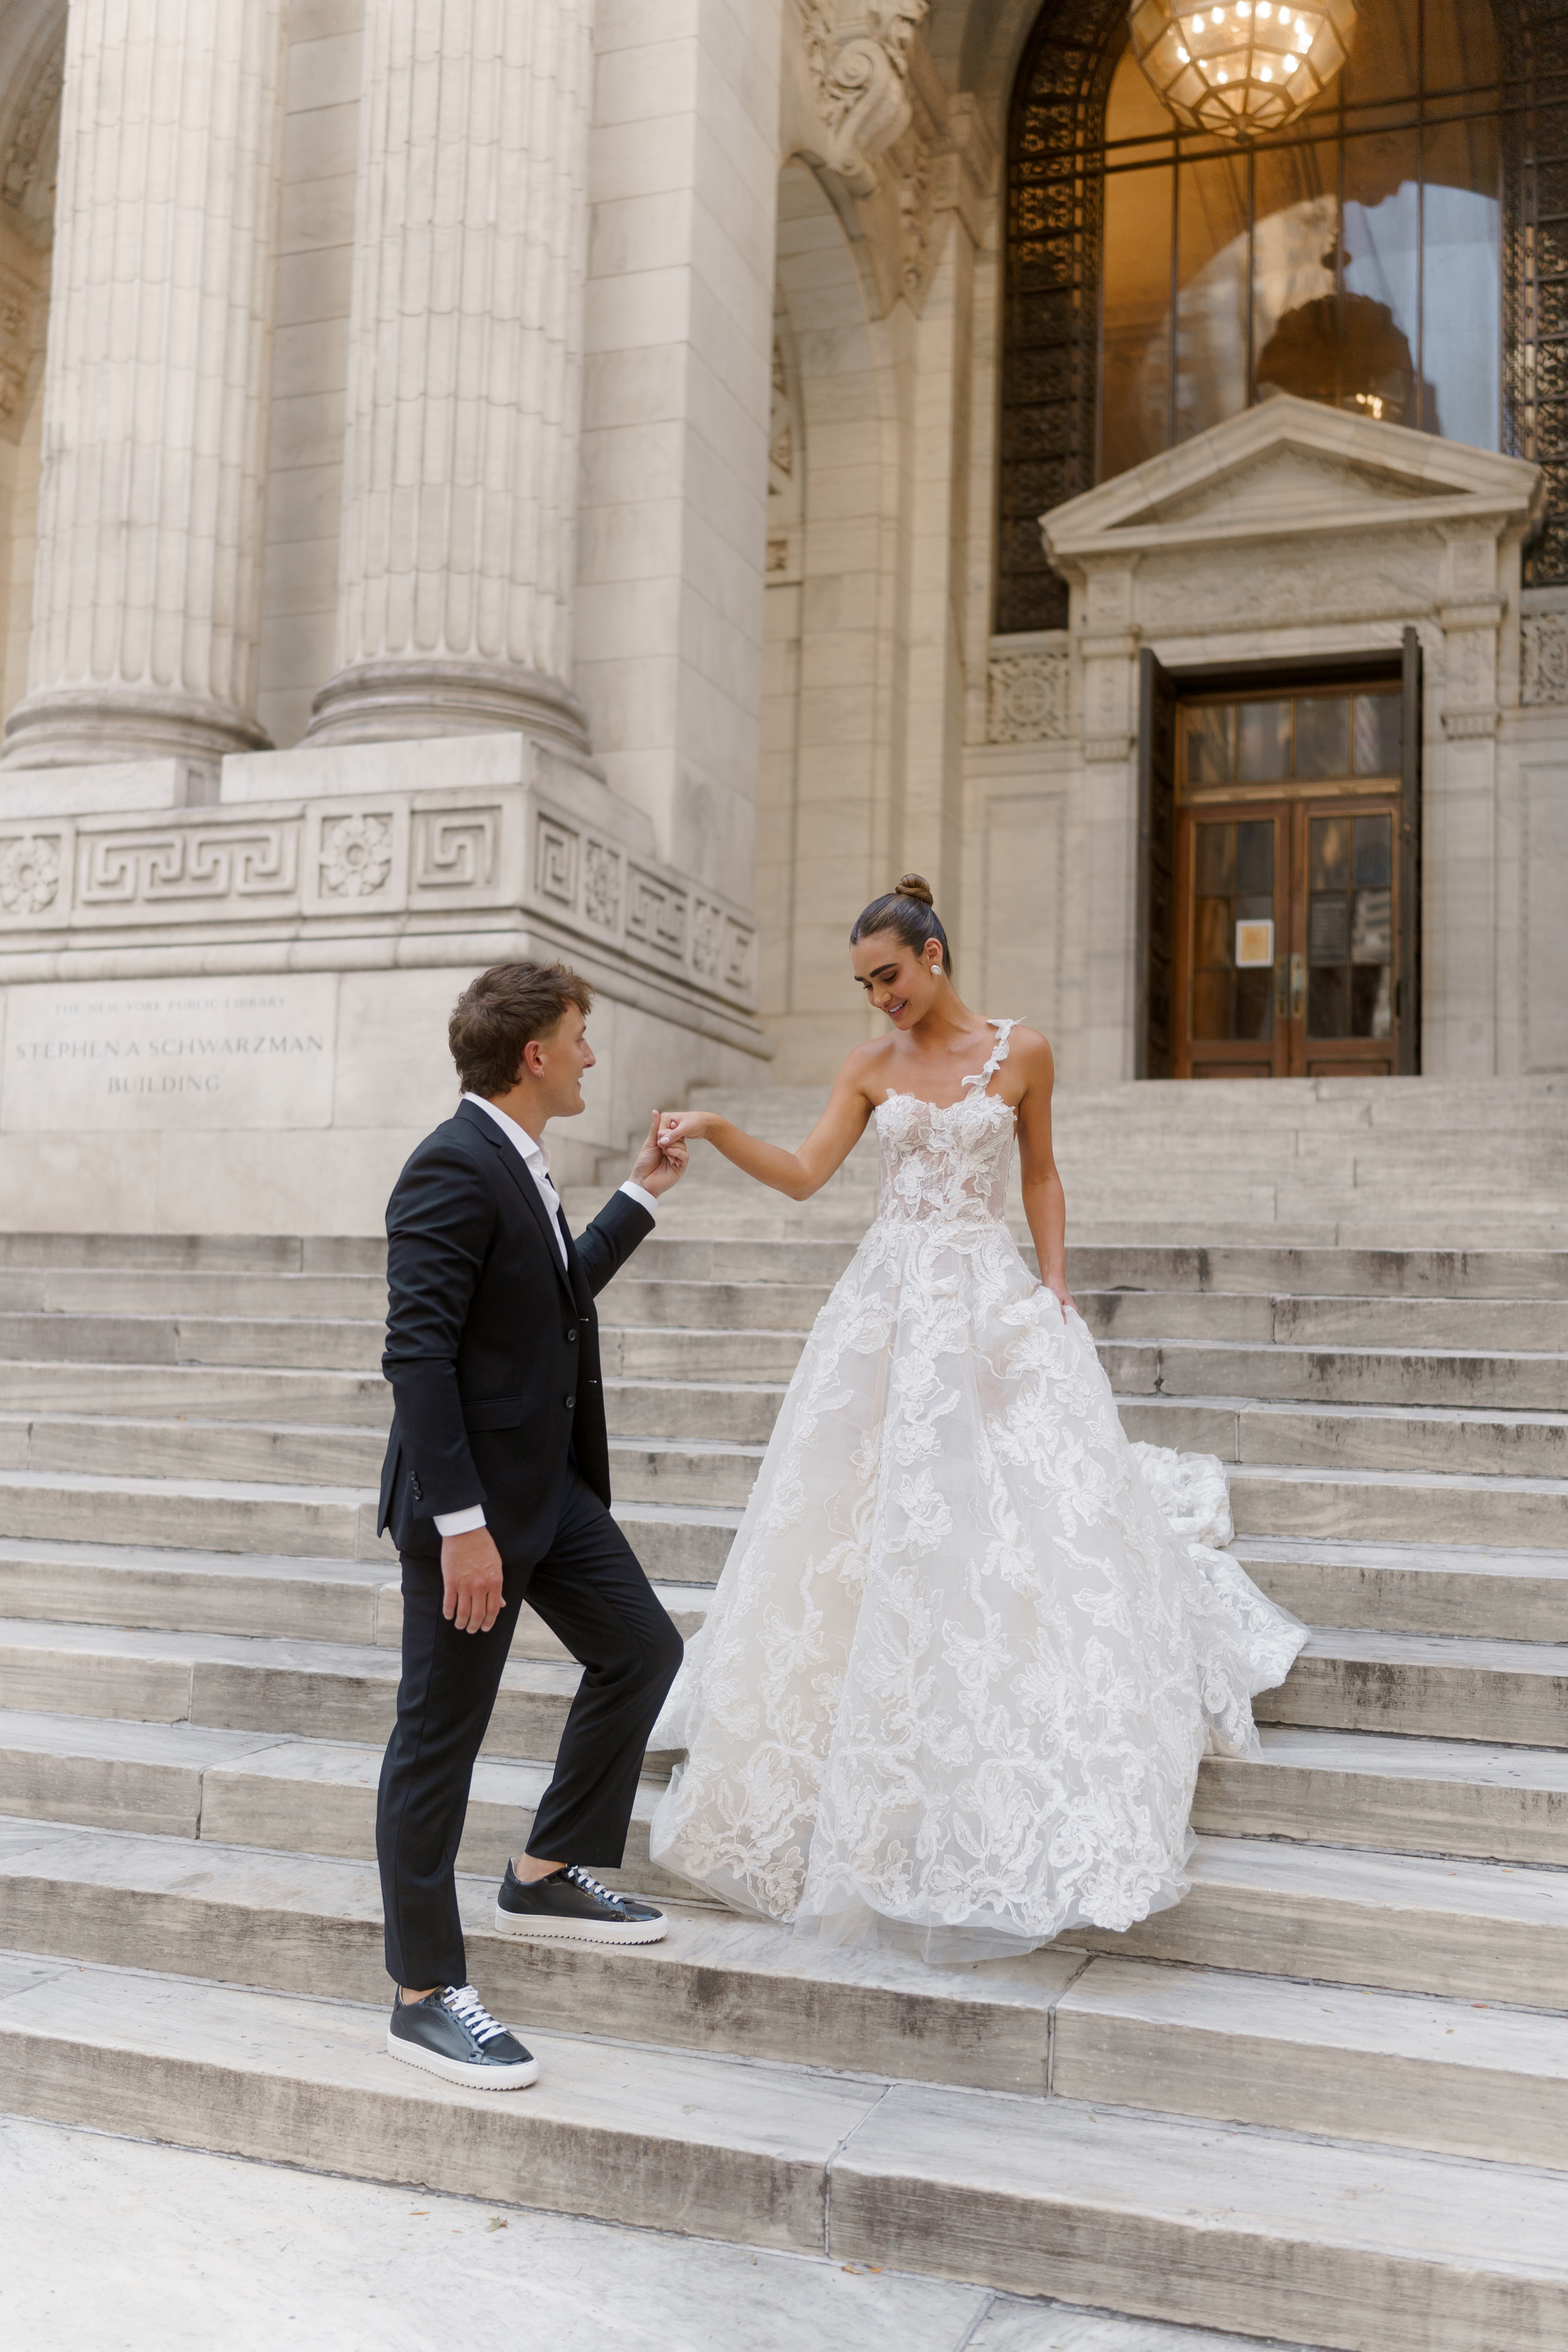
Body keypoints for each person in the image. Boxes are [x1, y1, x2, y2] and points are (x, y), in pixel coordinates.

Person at [647, 876, 1307, 1966]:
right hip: (888, 1308)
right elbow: (809, 1176)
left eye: (890, 977)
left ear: (935, 954)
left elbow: (1041, 1173)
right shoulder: (867, 1069)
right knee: (865, 1506)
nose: (880, 1001)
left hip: (988, 1302)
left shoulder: (1025, 1052)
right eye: (865, 986)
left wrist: (1052, 1285)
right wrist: (717, 1130)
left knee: (1003, 1503)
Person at [376, 960, 688, 2088]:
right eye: (580, 1037)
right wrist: (461, 1527)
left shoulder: (518, 1159)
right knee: (437, 1744)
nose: (594, 1056)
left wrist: (642, 1193)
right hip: (474, 1515)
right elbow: (416, 1355)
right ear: (535, 1056)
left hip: (547, 1491)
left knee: (644, 1648)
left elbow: (554, 1298)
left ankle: (547, 1867)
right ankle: (422, 1994)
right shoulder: (450, 1168)